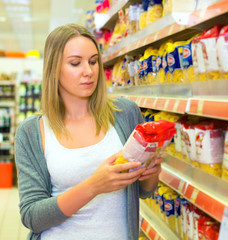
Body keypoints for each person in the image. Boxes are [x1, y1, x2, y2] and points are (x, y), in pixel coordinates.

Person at [14, 23, 163, 240]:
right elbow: (32, 216)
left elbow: (143, 191)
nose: (88, 71)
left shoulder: (125, 113)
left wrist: (151, 173)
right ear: (54, 69)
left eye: (93, 61)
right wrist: (94, 186)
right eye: (75, 63)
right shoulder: (32, 132)